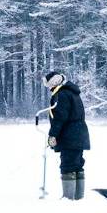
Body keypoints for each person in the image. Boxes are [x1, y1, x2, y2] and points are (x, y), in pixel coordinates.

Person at [43, 71, 91, 200]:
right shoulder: (72, 93)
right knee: (77, 164)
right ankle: (78, 197)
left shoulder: (62, 95)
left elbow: (59, 118)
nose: (48, 88)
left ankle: (68, 198)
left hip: (70, 135)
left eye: (48, 84)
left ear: (54, 83)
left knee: (68, 165)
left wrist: (52, 135)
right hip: (79, 134)